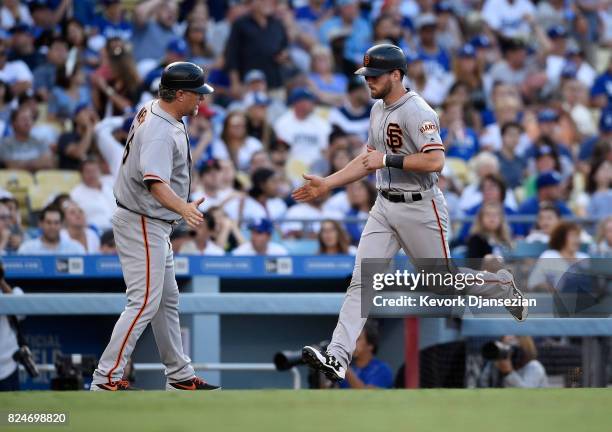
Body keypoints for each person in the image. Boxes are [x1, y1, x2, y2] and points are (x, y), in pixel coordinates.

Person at [295, 44, 527, 382]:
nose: (369, 81)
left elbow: (435, 161)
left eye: (375, 75)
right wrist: (328, 184)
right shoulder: (377, 109)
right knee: (362, 280)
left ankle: (499, 284)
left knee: (442, 283)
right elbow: (366, 160)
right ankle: (338, 356)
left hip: (421, 206)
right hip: (384, 205)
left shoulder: (418, 110)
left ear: (396, 75)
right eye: (366, 75)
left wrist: (387, 160)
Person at [91, 62, 219, 391]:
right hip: (143, 220)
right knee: (144, 301)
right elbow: (155, 182)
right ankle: (105, 378)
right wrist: (184, 209)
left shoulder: (155, 107)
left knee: (166, 299)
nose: (201, 100)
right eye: (196, 94)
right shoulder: (161, 130)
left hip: (149, 221)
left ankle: (178, 374)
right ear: (178, 94)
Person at [527, 221, 590, 292]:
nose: (576, 240)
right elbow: (533, 283)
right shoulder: (549, 256)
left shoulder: (584, 257)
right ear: (561, 238)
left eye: (577, 236)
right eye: (572, 236)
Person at [339, 320, 393, 389]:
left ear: (370, 345)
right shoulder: (349, 369)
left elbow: (367, 396)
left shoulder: (382, 370)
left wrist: (346, 370)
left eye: (357, 339)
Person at [0, 104, 54, 172]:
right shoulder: (4, 143)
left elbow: (49, 163)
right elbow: (11, 166)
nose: (28, 122)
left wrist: (22, 164)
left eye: (30, 118)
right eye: (23, 119)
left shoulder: (40, 141)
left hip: (37, 181)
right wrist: (37, 163)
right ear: (14, 123)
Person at [478, 336, 548, 388]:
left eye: (511, 347)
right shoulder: (495, 364)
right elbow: (483, 386)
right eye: (504, 345)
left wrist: (508, 373)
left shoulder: (534, 366)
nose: (508, 353)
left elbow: (527, 394)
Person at [70, 156, 116, 231]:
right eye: (88, 172)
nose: (92, 174)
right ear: (81, 174)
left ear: (100, 171)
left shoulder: (110, 183)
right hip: (98, 231)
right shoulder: (76, 194)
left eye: (94, 171)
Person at [18, 206, 85, 255]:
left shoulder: (75, 249)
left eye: (56, 223)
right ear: (40, 224)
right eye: (48, 222)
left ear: (62, 225)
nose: (52, 227)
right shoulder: (27, 249)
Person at [0, 262, 24, 391]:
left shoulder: (9, 292)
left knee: (10, 411)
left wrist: (1, 282)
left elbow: (20, 313)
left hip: (6, 365)